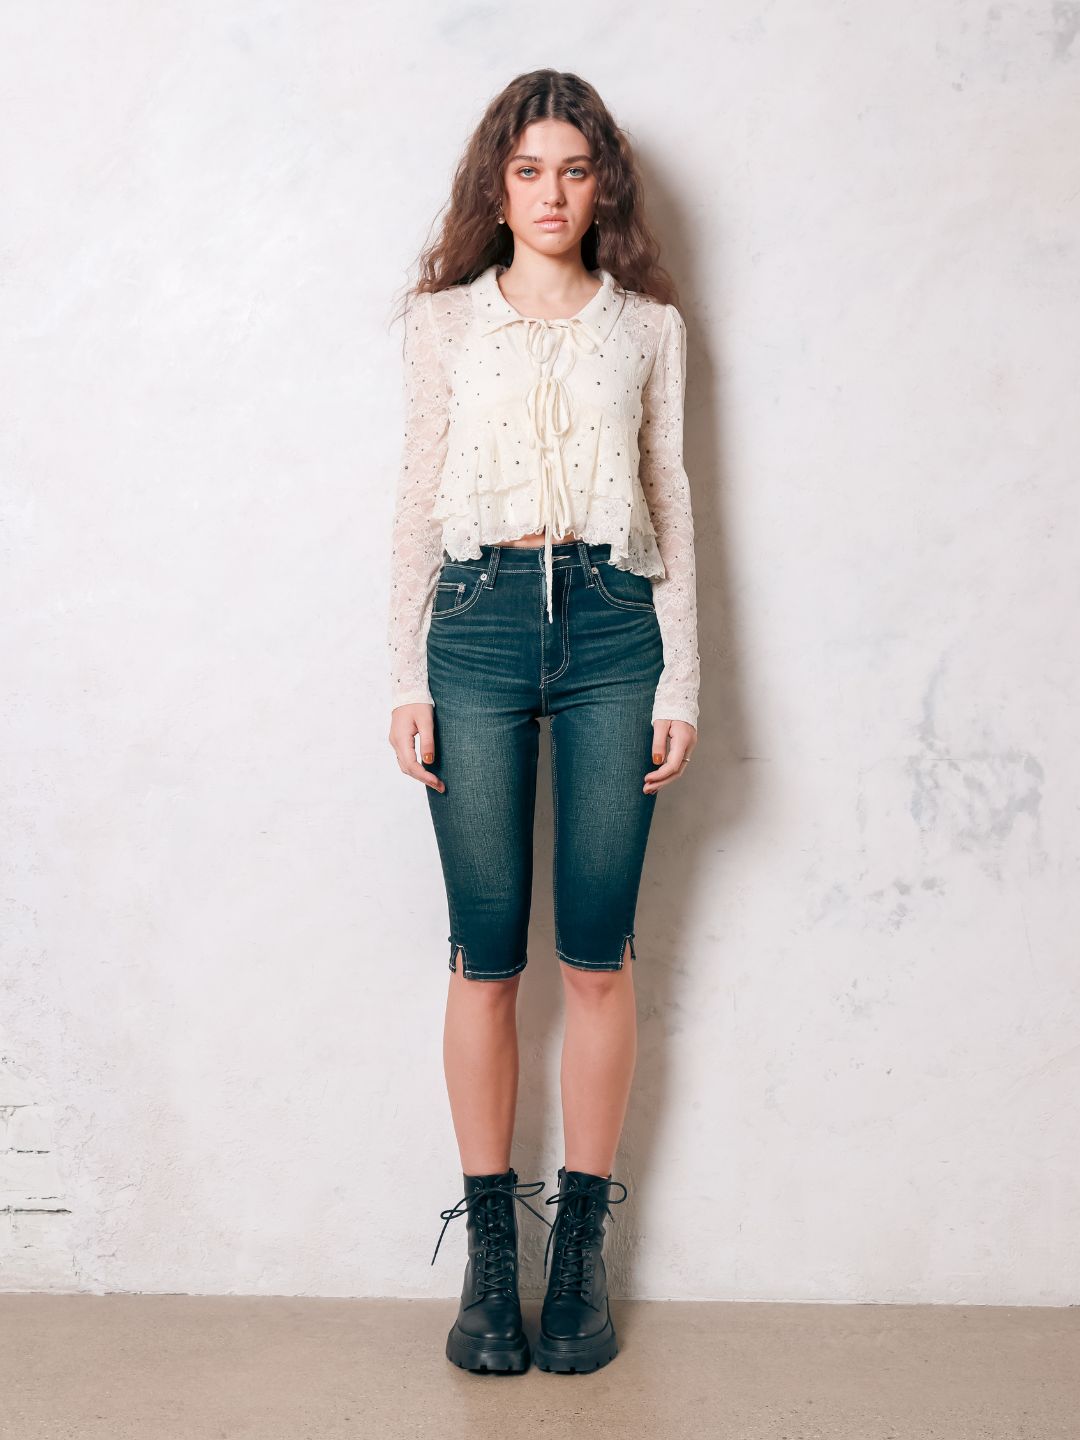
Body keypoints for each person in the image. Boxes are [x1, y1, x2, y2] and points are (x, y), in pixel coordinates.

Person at [385, 68, 701, 1375]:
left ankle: (578, 1259)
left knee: (595, 955)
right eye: (529, 171)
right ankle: (490, 1262)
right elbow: (417, 492)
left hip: (617, 631)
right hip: (475, 626)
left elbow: (670, 496)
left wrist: (682, 681)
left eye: (574, 170)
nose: (552, 193)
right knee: (484, 956)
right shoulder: (443, 324)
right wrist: (404, 676)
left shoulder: (648, 328)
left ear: (600, 185)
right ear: (499, 186)